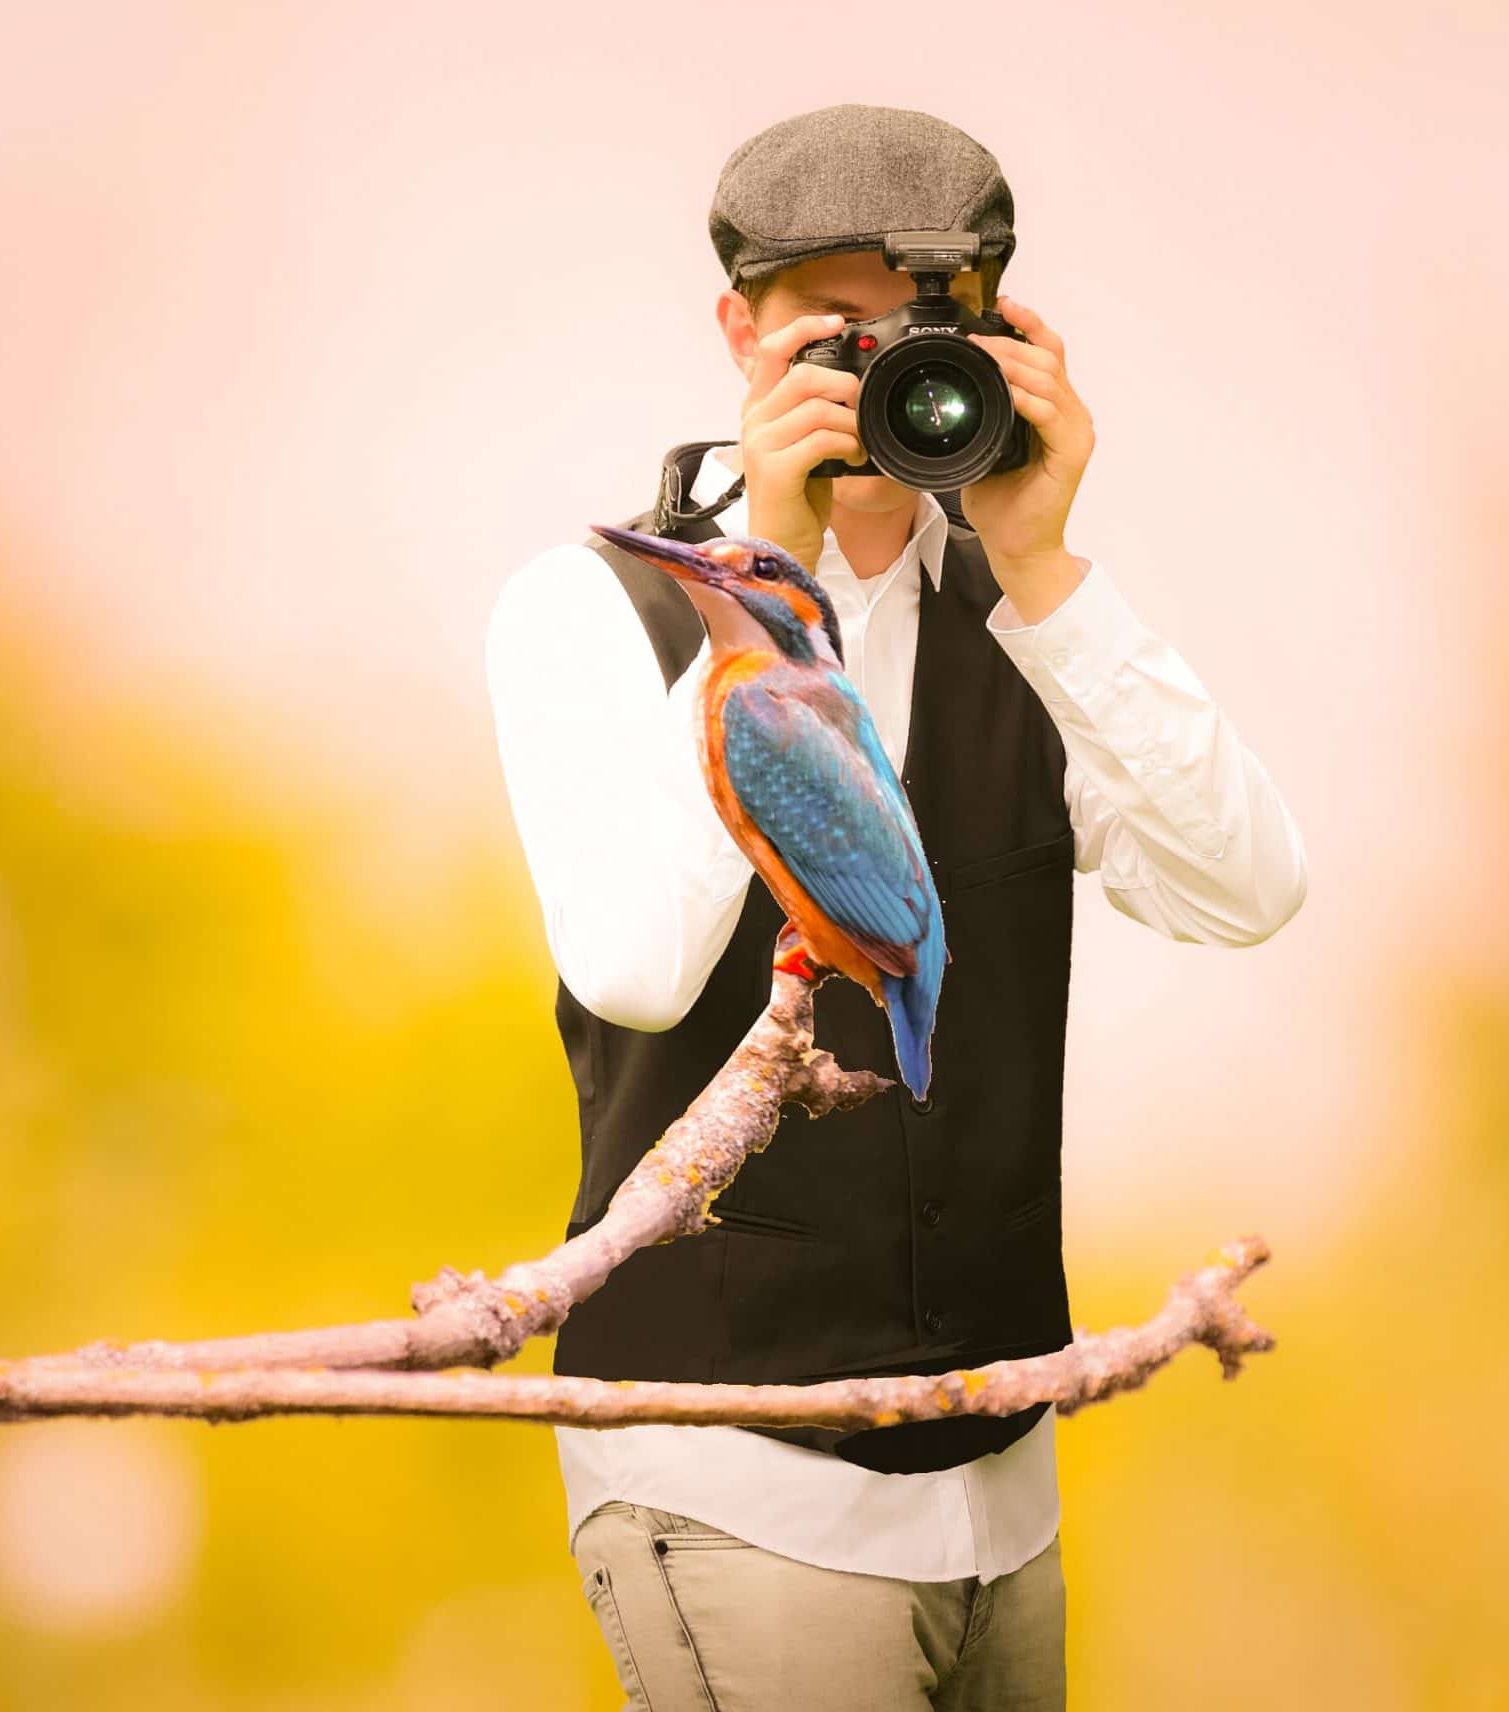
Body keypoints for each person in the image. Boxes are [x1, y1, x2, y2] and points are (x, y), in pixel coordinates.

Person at [483, 101, 1307, 1711]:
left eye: (921, 336)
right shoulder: (594, 604)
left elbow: (1248, 890)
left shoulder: (1032, 622)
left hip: (1005, 1485)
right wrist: (771, 569)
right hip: (726, 1469)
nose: (875, 383)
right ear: (736, 331)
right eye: (827, 336)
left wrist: (1050, 563)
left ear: (999, 340)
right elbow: (638, 970)